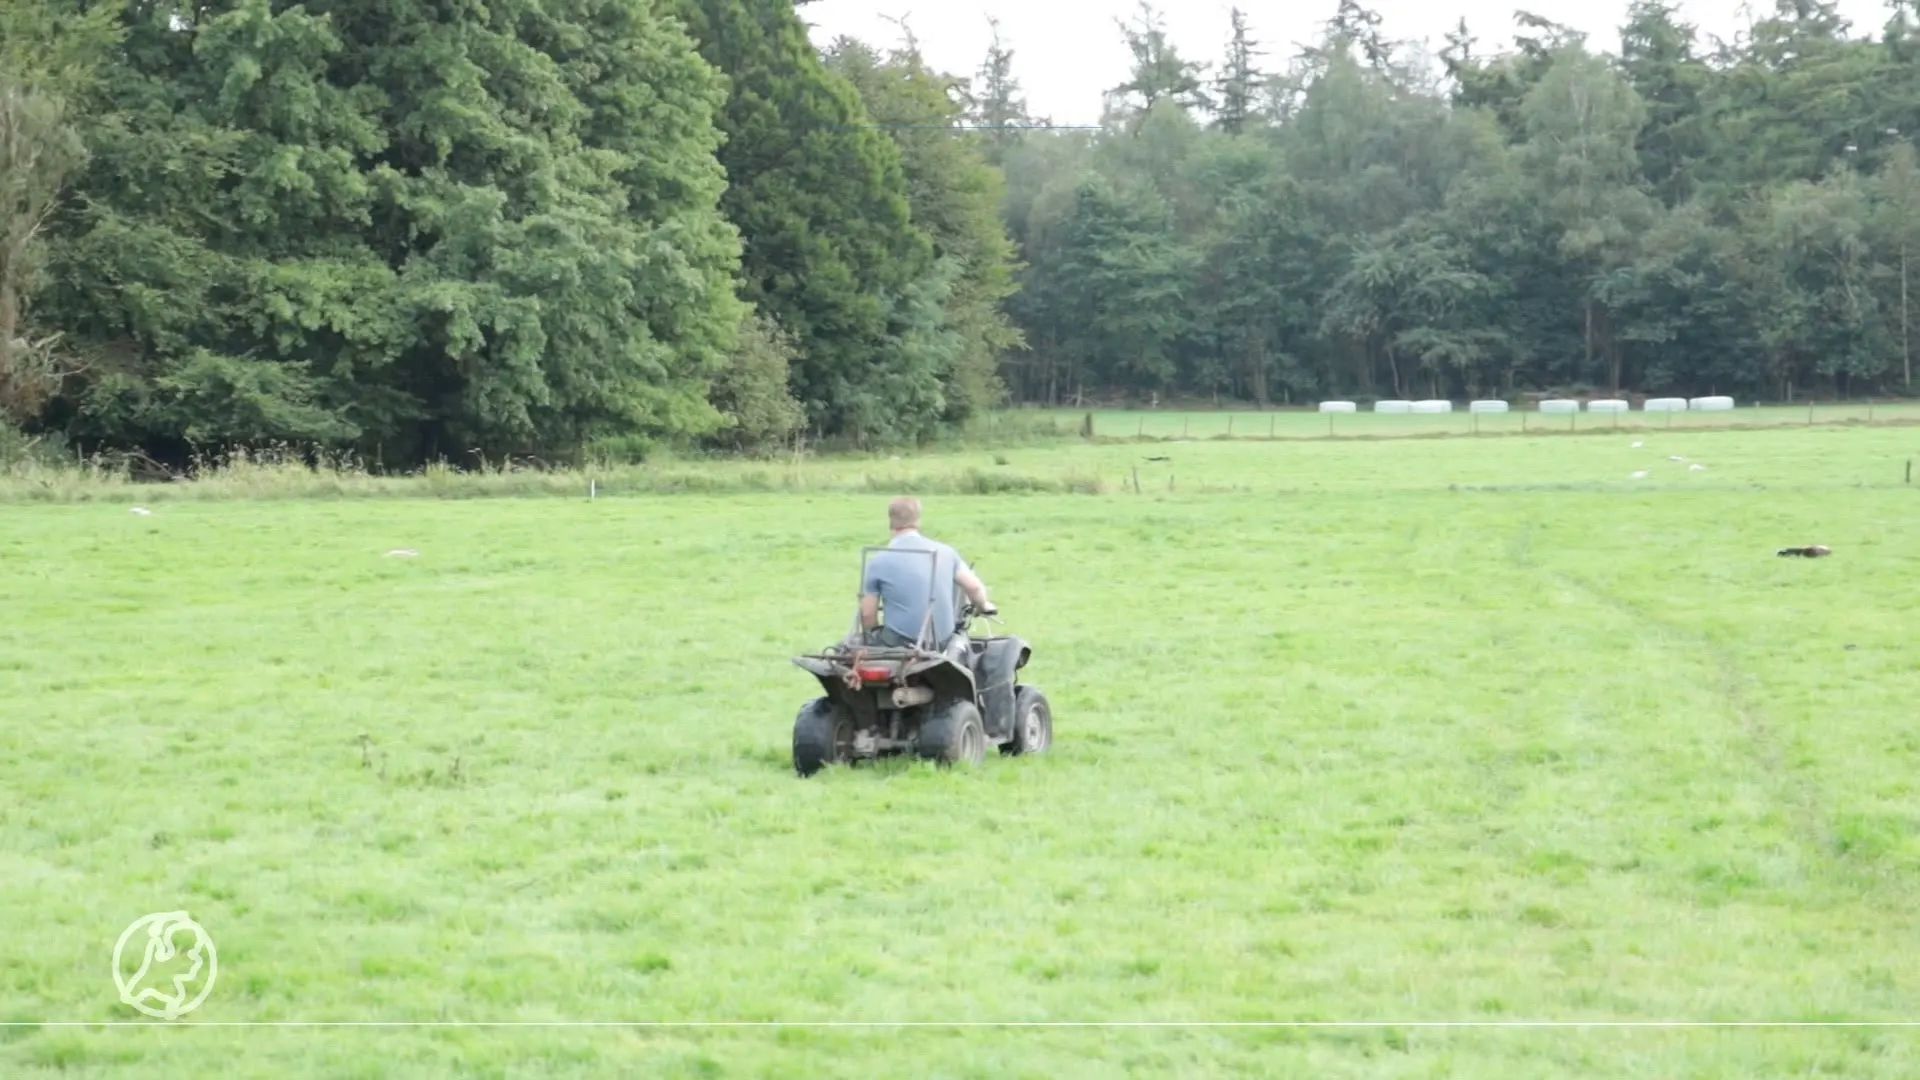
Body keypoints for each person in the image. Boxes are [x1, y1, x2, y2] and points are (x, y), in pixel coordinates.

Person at [859, 497, 995, 651]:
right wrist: (983, 606)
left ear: (891, 522)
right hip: (941, 641)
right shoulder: (946, 552)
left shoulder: (878, 561)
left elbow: (867, 615)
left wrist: (872, 636)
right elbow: (974, 588)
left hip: (898, 642)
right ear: (918, 521)